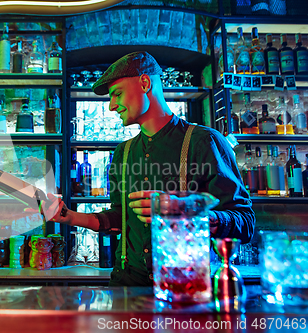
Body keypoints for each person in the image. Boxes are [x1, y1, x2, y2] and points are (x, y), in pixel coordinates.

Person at [34, 51, 255, 286]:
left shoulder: (205, 142)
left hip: (183, 292)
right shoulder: (123, 152)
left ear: (145, 82)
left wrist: (188, 212)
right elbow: (119, 218)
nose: (111, 106)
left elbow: (245, 221)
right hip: (126, 286)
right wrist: (68, 217)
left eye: (117, 94)